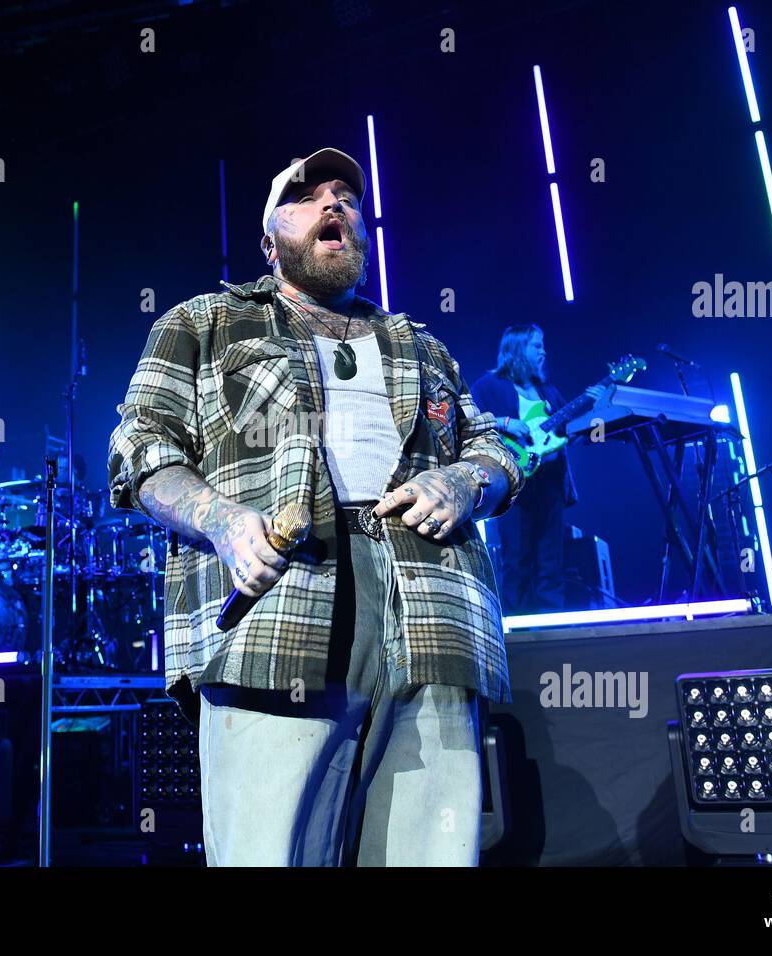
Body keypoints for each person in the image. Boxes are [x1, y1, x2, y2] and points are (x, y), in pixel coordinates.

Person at [108, 147, 525, 866]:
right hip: (282, 610)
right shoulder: (205, 322)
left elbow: (495, 450)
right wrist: (223, 521)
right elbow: (138, 447)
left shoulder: (422, 345)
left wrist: (464, 483)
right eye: (306, 197)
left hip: (432, 615)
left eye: (347, 198)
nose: (334, 204)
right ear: (269, 242)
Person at [471, 325, 610, 613]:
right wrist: (505, 423)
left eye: (543, 345)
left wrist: (596, 408)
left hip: (549, 482)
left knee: (551, 560)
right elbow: (468, 419)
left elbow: (570, 430)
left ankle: (551, 630)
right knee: (516, 560)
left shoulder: (548, 392)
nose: (543, 351)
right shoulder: (488, 386)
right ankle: (517, 634)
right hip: (512, 483)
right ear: (518, 348)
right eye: (536, 345)